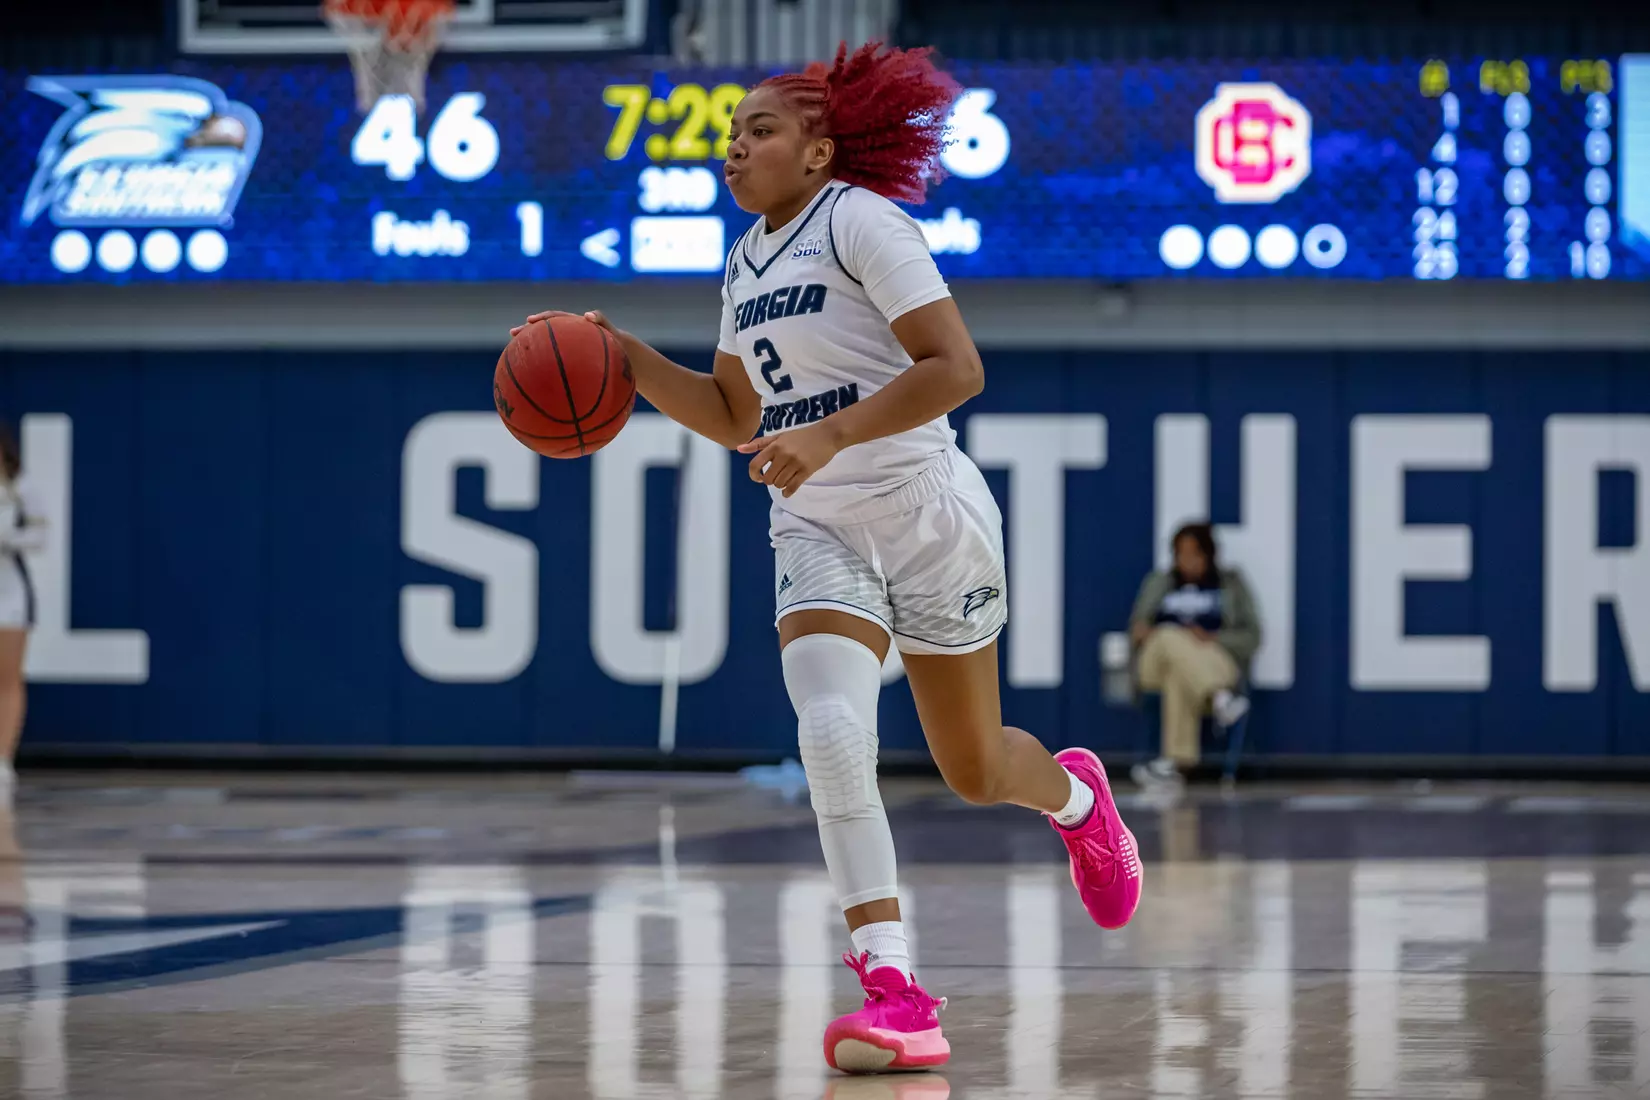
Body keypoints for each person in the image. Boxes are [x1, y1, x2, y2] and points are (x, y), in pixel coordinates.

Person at [513, 41, 1141, 1074]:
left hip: (928, 508)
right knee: (834, 728)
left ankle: (1078, 801)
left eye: (758, 128)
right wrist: (622, 355)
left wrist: (834, 432)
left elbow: (957, 367)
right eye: (729, 133)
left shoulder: (861, 221)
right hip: (816, 521)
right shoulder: (745, 260)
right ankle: (895, 987)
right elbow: (731, 410)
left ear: (819, 149)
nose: (734, 147)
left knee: (976, 768)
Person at [1127, 522, 1261, 791]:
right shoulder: (1159, 583)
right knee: (1168, 635)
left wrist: (1213, 638)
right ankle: (1219, 697)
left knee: (1178, 676)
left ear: (1209, 555)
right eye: (1181, 554)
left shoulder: (1231, 584)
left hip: (1215, 660)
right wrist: (1148, 632)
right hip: (1156, 660)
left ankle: (1174, 767)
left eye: (1194, 554)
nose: (1187, 561)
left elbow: (1253, 636)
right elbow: (1137, 628)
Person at [0, 419, 45, 807]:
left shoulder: (19, 484)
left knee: (8, 677)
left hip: (9, 592)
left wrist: (7, 537)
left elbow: (40, 535)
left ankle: (2, 763)